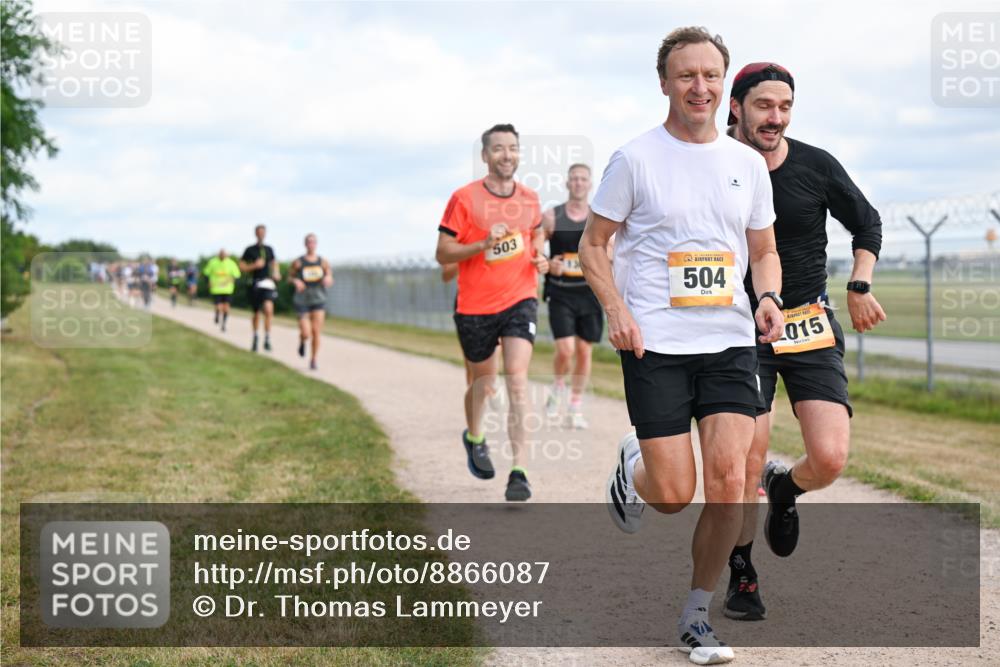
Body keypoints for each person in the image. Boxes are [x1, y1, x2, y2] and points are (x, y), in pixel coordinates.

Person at [580, 27, 783, 665]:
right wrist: (616, 309)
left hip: (726, 341)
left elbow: (764, 250)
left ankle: (697, 615)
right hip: (655, 345)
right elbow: (593, 245)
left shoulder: (746, 164)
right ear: (665, 83)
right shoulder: (634, 159)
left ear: (723, 83)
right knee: (672, 494)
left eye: (710, 75)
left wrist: (768, 298)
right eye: (686, 75)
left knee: (728, 482)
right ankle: (633, 466)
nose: (700, 87)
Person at [722, 62, 885, 622]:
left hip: (807, 323)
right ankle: (741, 571)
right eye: (764, 105)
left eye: (785, 107)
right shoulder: (716, 164)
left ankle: (785, 489)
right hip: (740, 328)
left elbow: (867, 223)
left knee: (832, 457)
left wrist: (859, 283)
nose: (776, 117)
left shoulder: (815, 164)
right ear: (736, 106)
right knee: (748, 454)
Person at [435, 123, 548, 502]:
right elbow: (443, 253)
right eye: (498, 149)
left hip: (520, 298)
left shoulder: (530, 199)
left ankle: (519, 471)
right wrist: (483, 243)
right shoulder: (464, 199)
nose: (506, 155)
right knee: (483, 385)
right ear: (485, 156)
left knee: (517, 378)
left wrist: (539, 256)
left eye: (512, 148)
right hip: (475, 306)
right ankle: (474, 435)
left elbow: (533, 238)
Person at [542, 163, 602, 429]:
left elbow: (610, 249)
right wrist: (547, 262)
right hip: (560, 292)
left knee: (584, 351)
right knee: (565, 350)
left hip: (589, 293)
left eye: (583, 179)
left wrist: (602, 257)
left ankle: (575, 405)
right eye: (574, 179)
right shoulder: (552, 216)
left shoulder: (597, 216)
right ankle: (557, 386)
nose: (578, 183)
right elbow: (535, 249)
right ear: (567, 184)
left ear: (589, 185)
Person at [289, 233, 334, 370]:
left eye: (313, 242)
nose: (311, 244)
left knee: (316, 331)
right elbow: (289, 277)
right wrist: (296, 280)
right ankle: (302, 340)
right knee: (306, 332)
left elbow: (330, 277)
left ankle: (313, 359)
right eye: (309, 242)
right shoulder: (298, 262)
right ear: (305, 244)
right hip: (302, 299)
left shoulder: (323, 262)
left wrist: (328, 279)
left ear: (316, 244)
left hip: (318, 298)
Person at [240, 224, 281, 352]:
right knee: (256, 312)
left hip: (268, 283)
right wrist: (254, 266)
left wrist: (276, 272)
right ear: (255, 233)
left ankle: (267, 337)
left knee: (269, 309)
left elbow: (274, 263)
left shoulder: (269, 249)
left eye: (263, 232)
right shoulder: (249, 250)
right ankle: (255, 336)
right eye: (259, 232)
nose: (261, 234)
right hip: (255, 283)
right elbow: (241, 266)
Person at [203, 249, 241, 331]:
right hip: (216, 289)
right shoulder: (213, 262)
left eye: (224, 254)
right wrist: (208, 282)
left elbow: (237, 275)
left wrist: (232, 280)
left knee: (226, 308)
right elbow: (206, 273)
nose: (223, 256)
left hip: (228, 289)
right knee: (218, 307)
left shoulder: (231, 263)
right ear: (218, 254)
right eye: (221, 254)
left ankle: (224, 324)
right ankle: (217, 314)